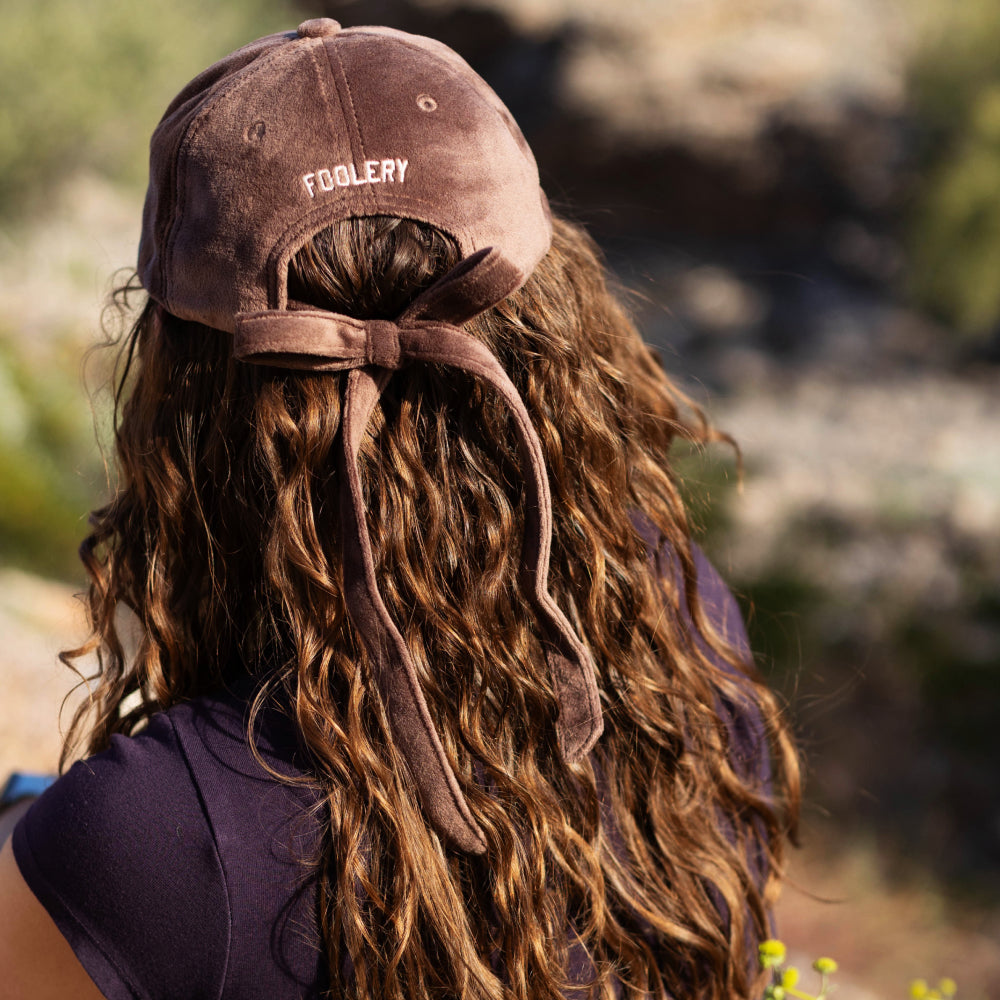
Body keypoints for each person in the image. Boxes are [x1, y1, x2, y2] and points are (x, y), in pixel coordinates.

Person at [0, 19, 799, 1000]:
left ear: (183, 396)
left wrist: (44, 845)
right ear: (553, 320)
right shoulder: (670, 614)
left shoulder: (141, 840)